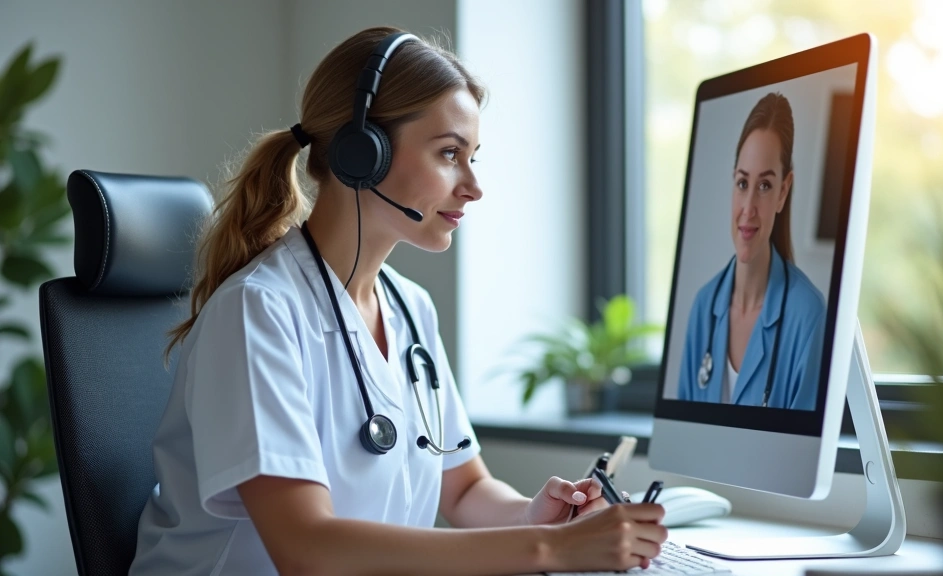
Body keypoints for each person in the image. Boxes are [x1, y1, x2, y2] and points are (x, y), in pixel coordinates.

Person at [128, 27, 667, 576]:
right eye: (450, 153)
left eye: (472, 156)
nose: (473, 186)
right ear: (362, 154)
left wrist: (540, 518)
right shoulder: (258, 312)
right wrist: (552, 552)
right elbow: (306, 548)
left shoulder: (411, 307)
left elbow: (462, 489)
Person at [677, 92, 826, 410]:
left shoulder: (808, 317)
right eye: (743, 183)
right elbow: (686, 448)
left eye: (765, 186)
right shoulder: (704, 306)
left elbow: (800, 458)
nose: (748, 209)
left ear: (783, 192)